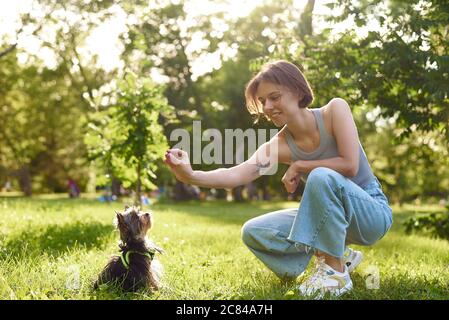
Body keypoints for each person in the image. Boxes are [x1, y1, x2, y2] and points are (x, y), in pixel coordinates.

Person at [164, 60, 393, 298]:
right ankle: (338, 257)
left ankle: (335, 275)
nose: (267, 106)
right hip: (331, 218)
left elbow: (349, 164)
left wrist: (301, 165)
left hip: (370, 213)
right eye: (262, 101)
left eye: (274, 97)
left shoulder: (334, 111)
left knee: (321, 176)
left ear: (297, 90)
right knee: (254, 230)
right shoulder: (279, 146)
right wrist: (190, 175)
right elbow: (236, 175)